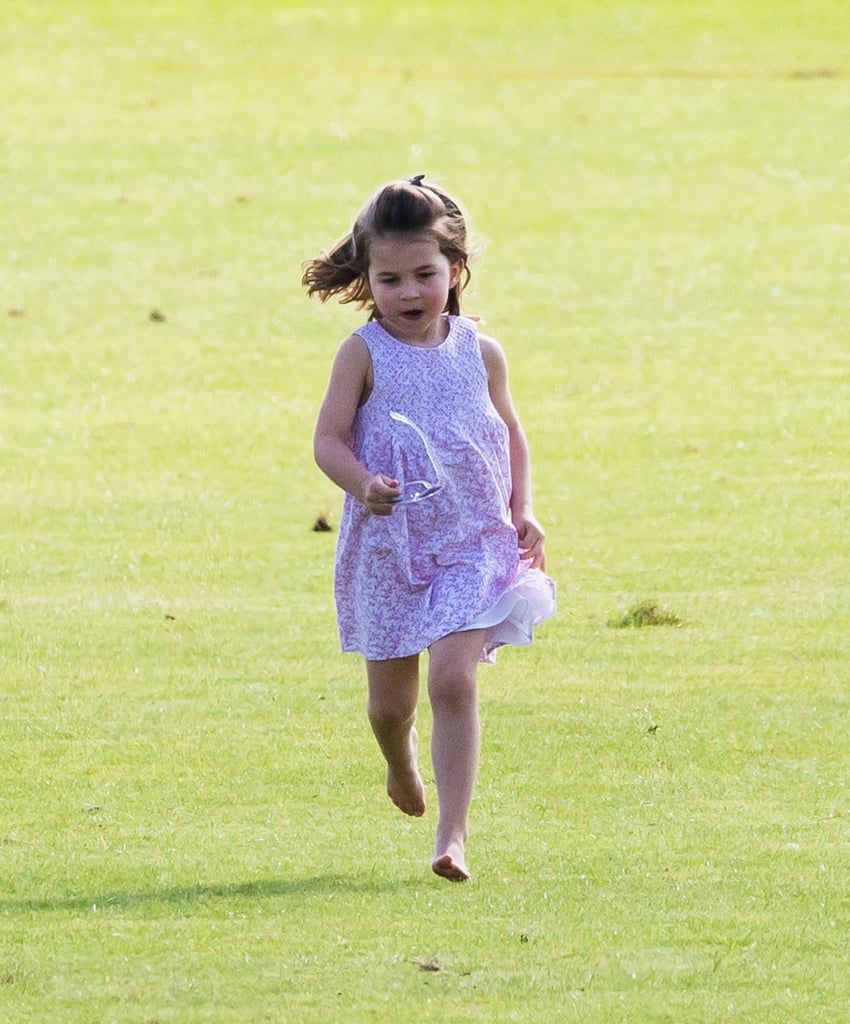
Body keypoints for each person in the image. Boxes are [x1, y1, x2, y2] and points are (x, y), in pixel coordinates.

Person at [304, 175, 555, 882]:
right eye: (389, 279)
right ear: (367, 278)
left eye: (425, 275)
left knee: (453, 682)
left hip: (472, 543)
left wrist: (524, 508)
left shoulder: (481, 350)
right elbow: (328, 440)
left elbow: (510, 431)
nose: (409, 293)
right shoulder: (363, 354)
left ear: (456, 271)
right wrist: (362, 484)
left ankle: (453, 838)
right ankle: (399, 758)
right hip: (389, 550)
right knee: (391, 706)